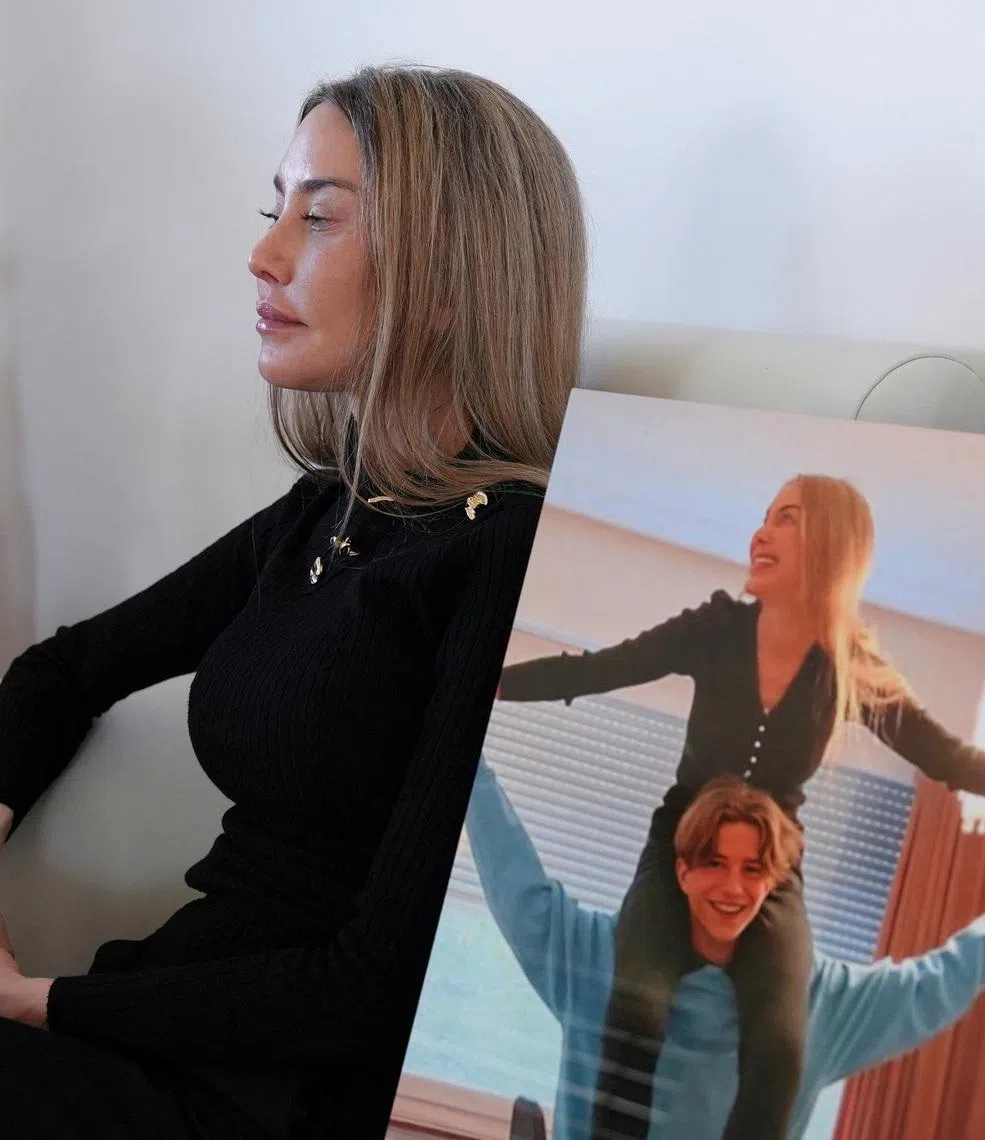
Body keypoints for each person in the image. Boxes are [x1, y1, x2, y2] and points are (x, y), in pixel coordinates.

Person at [0, 65, 586, 1140]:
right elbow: (65, 670)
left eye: (318, 218)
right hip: (160, 1024)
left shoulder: (501, 561)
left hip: (274, 1095)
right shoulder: (330, 511)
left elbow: (367, 985)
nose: (265, 254)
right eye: (277, 210)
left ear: (452, 274)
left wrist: (41, 1003)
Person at [496, 474, 985, 1140]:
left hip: (775, 869)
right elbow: (594, 671)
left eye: (786, 520)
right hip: (679, 852)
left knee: (780, 1045)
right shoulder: (713, 628)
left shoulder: (850, 669)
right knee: (636, 1009)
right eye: (764, 517)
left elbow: (953, 761)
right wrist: (489, 685)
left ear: (831, 546)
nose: (761, 532)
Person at [465, 756, 985, 1140]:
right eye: (713, 863)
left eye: (754, 869)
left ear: (775, 884)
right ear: (681, 871)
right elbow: (513, 876)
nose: (732, 886)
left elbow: (944, 979)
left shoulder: (819, 1007)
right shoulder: (595, 960)